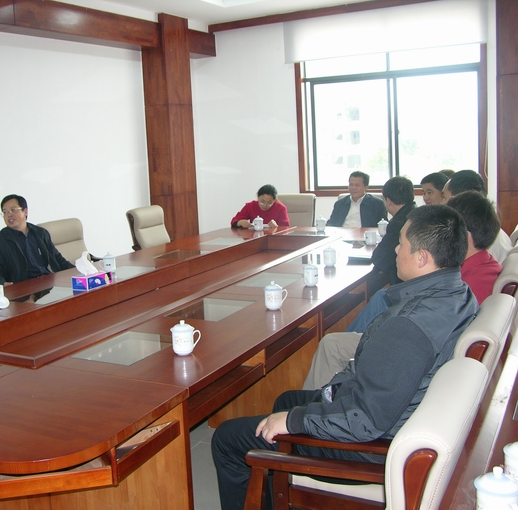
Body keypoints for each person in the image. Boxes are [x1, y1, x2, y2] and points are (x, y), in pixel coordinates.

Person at [212, 205, 477, 510]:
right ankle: (277, 488)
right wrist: (321, 397)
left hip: (369, 446)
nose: (395, 249)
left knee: (227, 438)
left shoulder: (408, 327)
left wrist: (296, 421)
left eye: (402, 243)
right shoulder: (458, 294)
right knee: (286, 400)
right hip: (387, 416)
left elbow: (365, 420)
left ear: (422, 258)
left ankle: (275, 468)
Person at [303, 191, 502, 390]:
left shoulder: (473, 282)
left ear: (463, 235)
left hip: (413, 359)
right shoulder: (475, 270)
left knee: (337, 341)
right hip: (419, 352)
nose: (397, 249)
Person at [0, 194, 75, 285]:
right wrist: (1, 284)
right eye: (5, 212)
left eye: (13, 210)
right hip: (24, 287)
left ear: (25, 211)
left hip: (50, 282)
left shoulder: (41, 233)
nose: (9, 215)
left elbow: (58, 259)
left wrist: (78, 272)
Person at [441, 169, 512, 263]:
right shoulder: (487, 229)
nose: (441, 204)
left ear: (462, 199)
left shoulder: (479, 243)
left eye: (444, 198)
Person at [371, 176, 416, 284]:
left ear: (388, 201)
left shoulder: (400, 222)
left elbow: (381, 259)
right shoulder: (416, 212)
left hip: (402, 283)